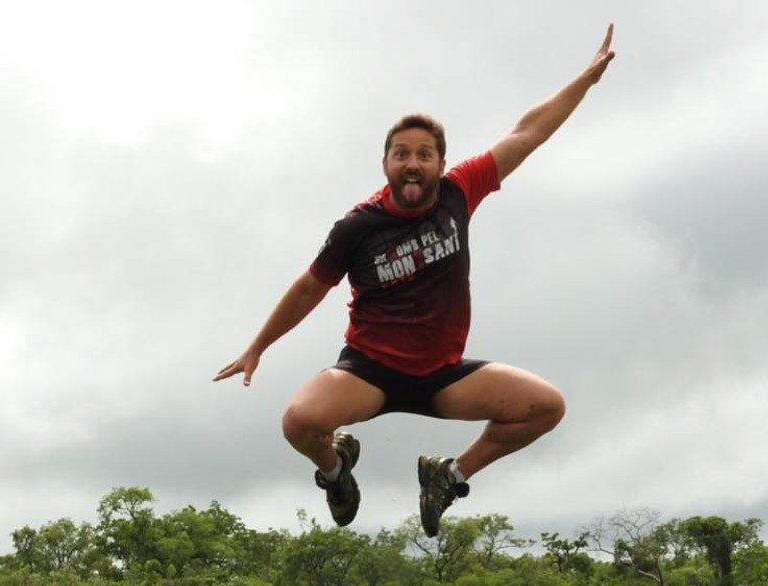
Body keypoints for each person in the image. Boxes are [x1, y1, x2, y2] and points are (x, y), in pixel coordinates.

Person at [215, 25, 616, 537]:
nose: (412, 163)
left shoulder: (459, 191)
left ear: (440, 164)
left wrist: (584, 80)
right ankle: (337, 471)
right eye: (401, 153)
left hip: (443, 376)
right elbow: (310, 287)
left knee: (546, 408)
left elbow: (527, 133)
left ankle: (447, 477)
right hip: (369, 374)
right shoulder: (357, 227)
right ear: (385, 163)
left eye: (424, 154)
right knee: (298, 421)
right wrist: (258, 346)